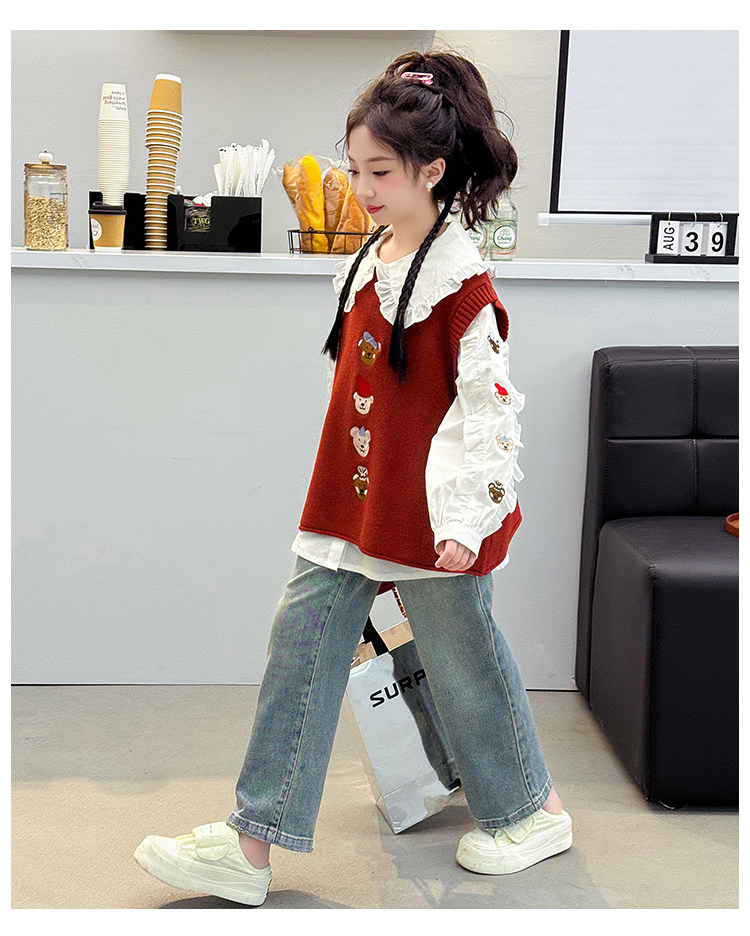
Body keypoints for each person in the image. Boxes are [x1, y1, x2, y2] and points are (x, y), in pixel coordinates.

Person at [134, 49, 572, 907]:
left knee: (465, 661)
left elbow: (488, 414)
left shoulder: (461, 286)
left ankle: (532, 810)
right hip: (350, 505)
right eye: (356, 168)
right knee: (298, 643)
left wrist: (464, 523)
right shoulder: (372, 255)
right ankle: (251, 844)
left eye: (380, 172)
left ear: (431, 170)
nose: (361, 187)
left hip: (431, 517)